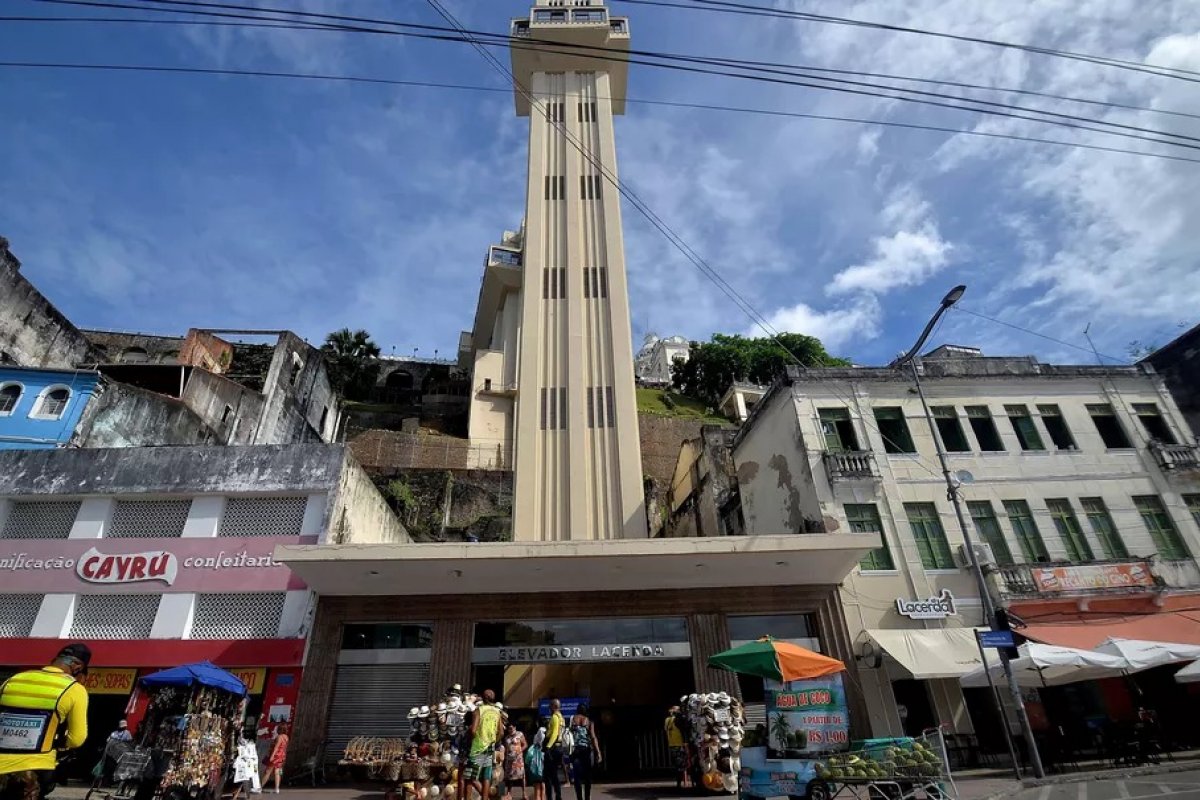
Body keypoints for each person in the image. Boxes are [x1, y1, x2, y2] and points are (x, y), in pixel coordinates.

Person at [0, 643, 91, 800]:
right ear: (77, 667)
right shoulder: (74, 689)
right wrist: (58, 743)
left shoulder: (13, 680)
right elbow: (77, 739)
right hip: (33, 772)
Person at [465, 691, 503, 800]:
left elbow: (473, 730)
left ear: (484, 698)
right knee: (486, 776)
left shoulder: (479, 710)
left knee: (470, 777)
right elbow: (501, 732)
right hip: (490, 748)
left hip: (478, 747)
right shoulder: (497, 712)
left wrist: (472, 740)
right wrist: (494, 741)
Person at [567, 706, 600, 800]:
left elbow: (569, 734)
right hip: (586, 750)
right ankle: (587, 797)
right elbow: (593, 737)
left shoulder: (573, 719)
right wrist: (598, 752)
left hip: (575, 750)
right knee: (587, 776)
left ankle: (579, 798)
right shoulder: (589, 721)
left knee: (577, 776)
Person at [259, 724, 290, 795]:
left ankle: (260, 787)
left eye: (278, 729)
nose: (276, 730)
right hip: (281, 756)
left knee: (267, 771)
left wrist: (271, 756)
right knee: (277, 772)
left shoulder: (279, 737)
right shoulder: (286, 737)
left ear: (280, 730)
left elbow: (276, 747)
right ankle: (277, 789)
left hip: (276, 756)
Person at [231, 731, 262, 800]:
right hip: (253, 763)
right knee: (249, 778)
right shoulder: (252, 744)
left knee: (243, 780)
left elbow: (242, 754)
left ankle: (239, 795)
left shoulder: (244, 744)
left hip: (245, 764)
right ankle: (252, 790)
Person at [664, 707, 688, 789]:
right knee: (680, 765)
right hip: (679, 745)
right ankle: (679, 783)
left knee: (677, 765)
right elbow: (684, 728)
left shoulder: (667, 720)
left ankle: (679, 782)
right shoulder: (677, 720)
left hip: (672, 745)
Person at [544, 701, 564, 800]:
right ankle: (558, 796)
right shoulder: (561, 718)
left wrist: (548, 747)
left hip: (553, 748)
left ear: (554, 706)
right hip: (559, 747)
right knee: (554, 774)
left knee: (547, 776)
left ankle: (550, 797)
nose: (549, 708)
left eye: (550, 706)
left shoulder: (555, 717)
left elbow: (554, 733)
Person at [502, 722, 527, 800]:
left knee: (521, 776)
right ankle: (509, 794)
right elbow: (506, 749)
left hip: (518, 759)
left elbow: (525, 744)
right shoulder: (507, 738)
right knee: (509, 777)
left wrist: (520, 751)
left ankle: (524, 793)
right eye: (509, 729)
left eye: (511, 728)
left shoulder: (520, 734)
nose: (510, 730)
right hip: (509, 760)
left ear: (515, 727)